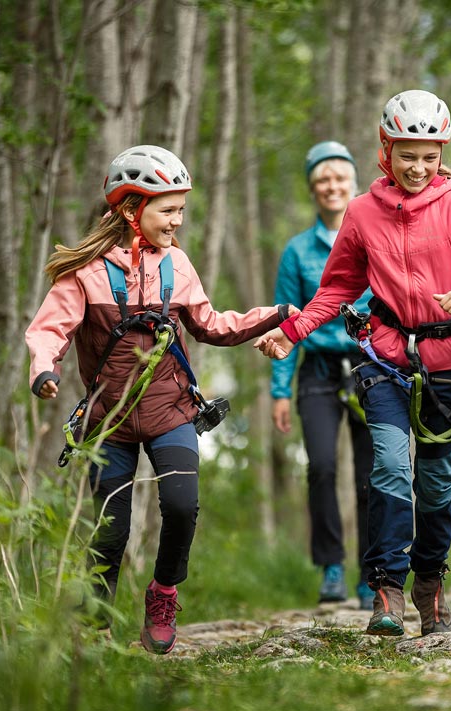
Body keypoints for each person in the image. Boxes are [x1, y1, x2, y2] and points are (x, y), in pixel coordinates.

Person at [254, 89, 451, 637]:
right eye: (407, 154)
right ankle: (386, 589)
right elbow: (337, 289)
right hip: (385, 359)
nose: (419, 166)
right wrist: (291, 333)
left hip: (448, 363)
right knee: (390, 468)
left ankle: (431, 583)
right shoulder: (361, 212)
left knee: (437, 482)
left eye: (429, 155)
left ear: (441, 153)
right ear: (386, 149)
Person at [25, 145, 291, 655]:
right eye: (168, 210)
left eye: (181, 210)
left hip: (171, 412)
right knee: (110, 529)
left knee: (182, 507)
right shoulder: (85, 272)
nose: (178, 221)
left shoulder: (177, 265)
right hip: (109, 421)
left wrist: (275, 314)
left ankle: (163, 593)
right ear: (131, 209)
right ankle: (94, 624)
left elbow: (211, 325)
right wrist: (43, 370)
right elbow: (49, 328)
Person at [271, 140, 375, 610]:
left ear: (353, 184)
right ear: (314, 189)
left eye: (339, 178)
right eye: (322, 180)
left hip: (371, 365)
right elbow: (284, 323)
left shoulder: (374, 236)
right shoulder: (297, 251)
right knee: (322, 468)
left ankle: (373, 572)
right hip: (316, 370)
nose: (331, 186)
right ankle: (331, 566)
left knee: (374, 475)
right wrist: (278, 391)